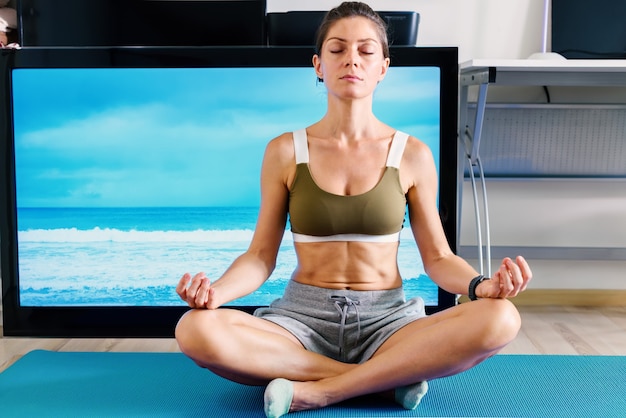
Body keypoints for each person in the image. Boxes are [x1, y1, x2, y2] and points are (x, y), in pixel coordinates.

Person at [175, 2, 533, 417]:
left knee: (500, 318)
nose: (351, 60)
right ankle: (381, 382)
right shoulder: (284, 151)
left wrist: (480, 287)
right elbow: (259, 257)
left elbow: (438, 258)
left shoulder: (413, 154)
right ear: (318, 65)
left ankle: (323, 391)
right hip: (300, 322)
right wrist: (216, 292)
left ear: (383, 67)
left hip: (390, 322)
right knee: (195, 328)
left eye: (365, 51)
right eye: (337, 49)